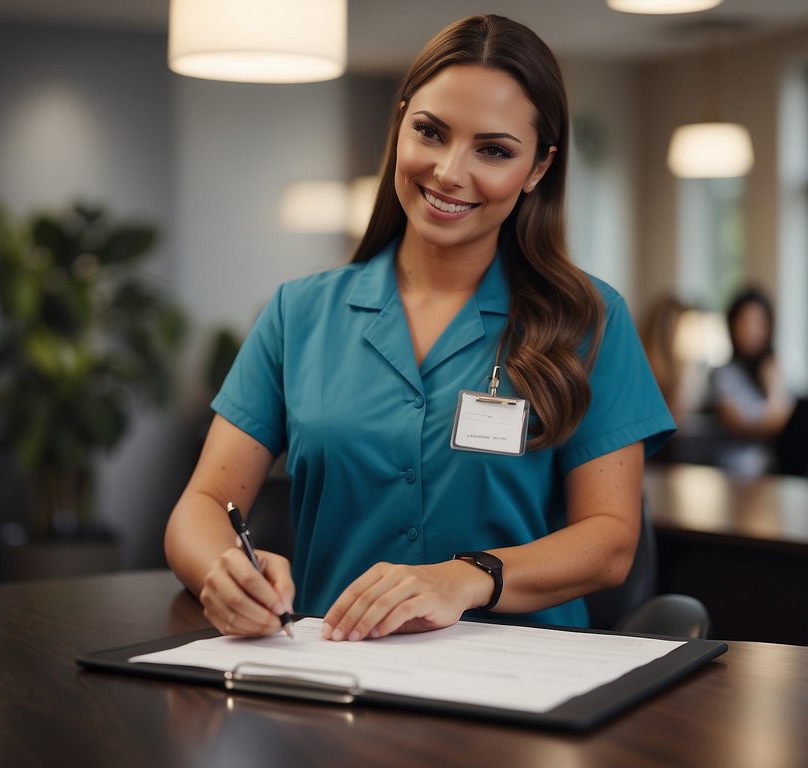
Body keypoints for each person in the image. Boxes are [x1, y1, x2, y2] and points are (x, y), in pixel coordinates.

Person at [164, 14, 675, 642]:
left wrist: (466, 577)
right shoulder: (299, 314)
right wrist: (225, 569)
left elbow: (610, 542)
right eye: (430, 132)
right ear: (400, 124)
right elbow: (203, 505)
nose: (449, 172)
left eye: (493, 150)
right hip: (338, 671)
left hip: (526, 680)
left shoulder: (590, 320)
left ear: (538, 169)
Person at [707, 286, 791, 477]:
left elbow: (781, 420)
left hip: (772, 470)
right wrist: (773, 392)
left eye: (759, 323)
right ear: (732, 325)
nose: (752, 331)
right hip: (735, 472)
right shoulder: (723, 374)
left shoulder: (770, 370)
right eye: (745, 322)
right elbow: (739, 425)